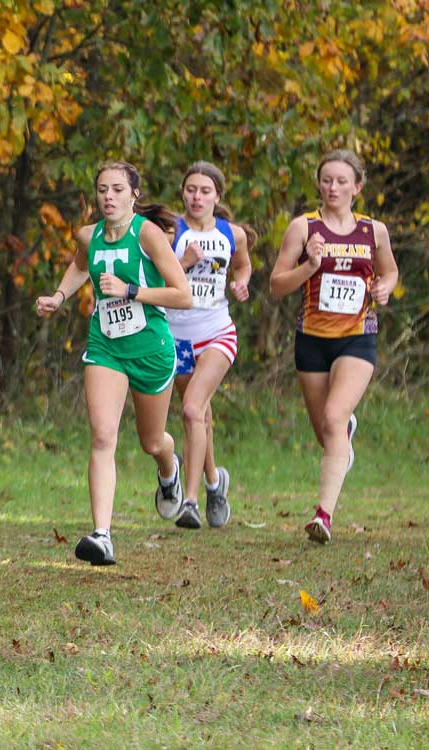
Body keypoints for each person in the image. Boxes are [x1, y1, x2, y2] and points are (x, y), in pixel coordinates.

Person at [36, 161, 192, 565]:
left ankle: (169, 468)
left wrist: (132, 290)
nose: (109, 196)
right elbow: (80, 265)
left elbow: (183, 295)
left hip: (151, 349)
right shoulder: (89, 235)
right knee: (103, 435)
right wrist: (59, 296)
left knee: (151, 441)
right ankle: (102, 535)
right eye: (103, 189)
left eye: (118, 189)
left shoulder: (149, 236)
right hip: (105, 345)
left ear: (134, 194)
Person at [270, 149, 398, 543]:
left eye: (342, 181)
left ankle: (323, 516)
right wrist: (308, 267)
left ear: (357, 187)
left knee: (333, 417)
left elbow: (390, 270)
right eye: (327, 180)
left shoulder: (372, 231)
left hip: (357, 338)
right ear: (319, 185)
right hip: (312, 341)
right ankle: (344, 434)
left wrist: (385, 288)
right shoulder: (303, 228)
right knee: (325, 431)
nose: (333, 188)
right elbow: (276, 285)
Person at [166, 162, 254, 530]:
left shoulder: (232, 233)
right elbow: (155, 275)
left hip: (217, 331)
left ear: (217, 196)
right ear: (183, 193)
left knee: (190, 411)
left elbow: (243, 265)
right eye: (190, 190)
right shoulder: (170, 230)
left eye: (205, 191)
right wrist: (183, 263)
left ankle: (190, 502)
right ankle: (216, 484)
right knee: (199, 417)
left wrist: (241, 284)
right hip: (177, 335)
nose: (196, 197)